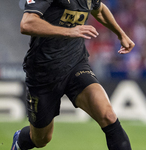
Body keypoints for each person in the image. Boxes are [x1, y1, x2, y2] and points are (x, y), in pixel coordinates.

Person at [11, 0, 135, 150]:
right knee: (41, 139)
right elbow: (27, 24)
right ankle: (19, 141)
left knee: (108, 116)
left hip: (76, 65)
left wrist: (120, 34)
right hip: (43, 72)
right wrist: (69, 31)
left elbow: (99, 9)